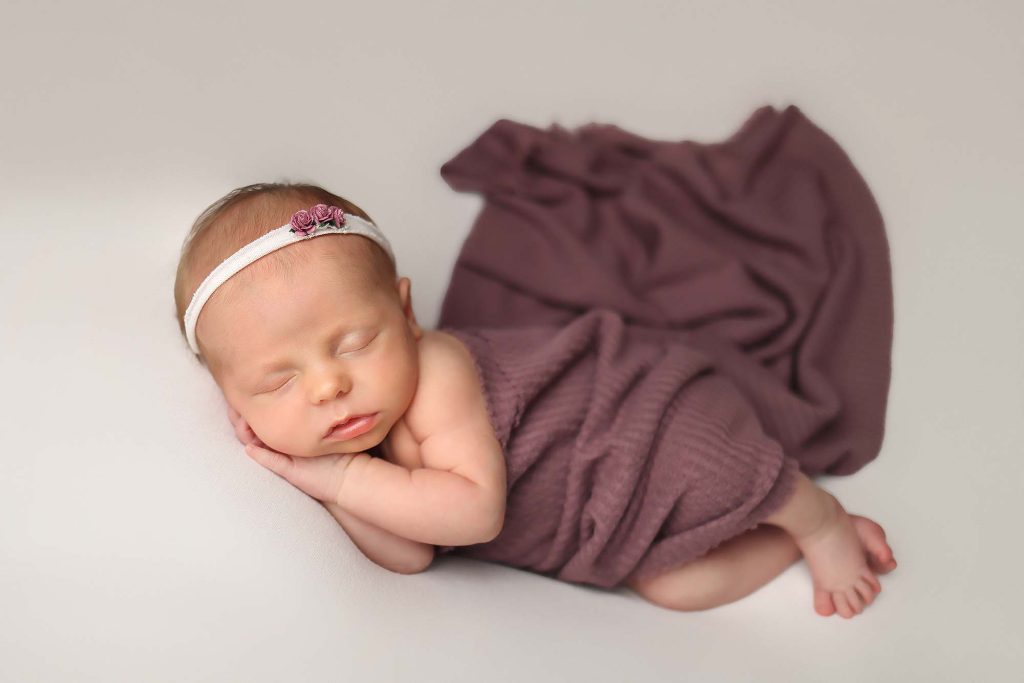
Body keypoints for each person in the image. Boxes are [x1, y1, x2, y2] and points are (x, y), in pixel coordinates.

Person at [174, 181, 896, 619]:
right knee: (679, 588)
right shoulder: (346, 440)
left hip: (642, 428)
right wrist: (323, 486)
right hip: (604, 526)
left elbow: (472, 509)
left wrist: (339, 477)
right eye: (278, 382)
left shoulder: (435, 370)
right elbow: (410, 551)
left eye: (356, 341)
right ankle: (786, 543)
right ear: (234, 399)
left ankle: (817, 515)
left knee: (718, 467)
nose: (329, 385)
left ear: (404, 313)